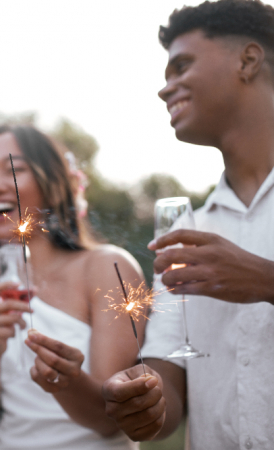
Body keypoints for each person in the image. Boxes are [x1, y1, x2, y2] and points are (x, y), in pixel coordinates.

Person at [102, 0, 274, 447]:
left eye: (181, 67)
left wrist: (266, 281)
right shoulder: (188, 232)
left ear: (248, 60)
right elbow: (170, 382)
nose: (166, 89)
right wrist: (144, 399)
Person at [0, 124, 144, 450]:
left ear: (52, 183)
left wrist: (68, 382)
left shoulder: (107, 268)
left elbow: (114, 421)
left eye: (14, 169)